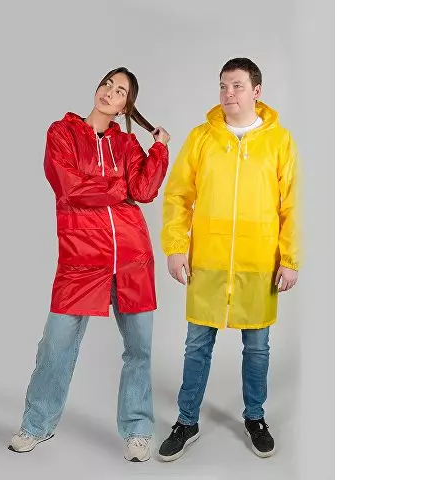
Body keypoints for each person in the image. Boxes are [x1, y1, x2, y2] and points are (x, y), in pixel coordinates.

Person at [8, 67, 170, 462]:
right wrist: (119, 188)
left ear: (125, 106)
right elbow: (71, 188)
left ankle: (138, 430)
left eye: (120, 91)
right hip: (80, 259)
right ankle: (36, 425)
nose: (109, 92)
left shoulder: (128, 143)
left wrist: (159, 150)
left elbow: (144, 190)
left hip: (131, 258)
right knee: (56, 345)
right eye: (107, 84)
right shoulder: (62, 133)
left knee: (139, 350)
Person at [158, 57, 300, 461]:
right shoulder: (201, 138)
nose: (228, 93)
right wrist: (175, 246)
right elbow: (178, 195)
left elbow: (293, 204)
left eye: (237, 86)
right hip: (209, 261)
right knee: (196, 345)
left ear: (257, 91)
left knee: (257, 348)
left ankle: (255, 417)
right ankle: (187, 421)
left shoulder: (279, 141)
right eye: (223, 85)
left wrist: (290, 258)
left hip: (258, 263)